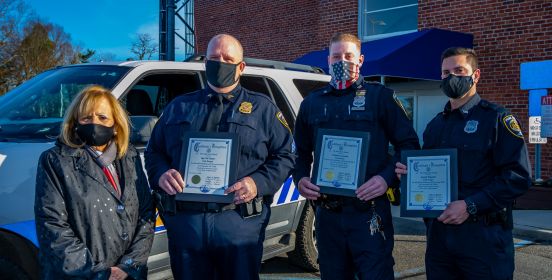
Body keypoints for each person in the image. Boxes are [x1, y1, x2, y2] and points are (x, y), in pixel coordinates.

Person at [144, 34, 295, 280]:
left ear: (241, 67)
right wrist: (161, 174)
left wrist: (257, 182)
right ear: (205, 62)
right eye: (214, 58)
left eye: (228, 58)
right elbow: (154, 151)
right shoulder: (179, 107)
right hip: (187, 226)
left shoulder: (263, 108)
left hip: (239, 224)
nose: (220, 62)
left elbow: (286, 156)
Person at [395, 47, 531, 279]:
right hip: (440, 238)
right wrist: (409, 175)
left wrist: (470, 205)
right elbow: (427, 172)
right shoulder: (435, 126)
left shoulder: (496, 119)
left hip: (483, 238)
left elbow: (518, 177)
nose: (452, 78)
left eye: (459, 70)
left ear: (475, 75)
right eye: (446, 73)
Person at [293, 32, 420, 280]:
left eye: (348, 56)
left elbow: (409, 145)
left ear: (360, 60)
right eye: (337, 56)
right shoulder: (312, 103)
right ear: (328, 60)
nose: (342, 61)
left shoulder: (380, 97)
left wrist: (386, 178)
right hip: (327, 216)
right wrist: (300, 178)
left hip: (368, 214)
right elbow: (301, 153)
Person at [35, 85, 155, 280]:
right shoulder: (56, 161)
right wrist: (100, 273)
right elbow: (52, 226)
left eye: (102, 117)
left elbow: (146, 212)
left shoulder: (129, 156)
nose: (94, 123)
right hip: (81, 276)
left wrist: (129, 265)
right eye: (86, 118)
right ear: (75, 123)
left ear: (116, 125)